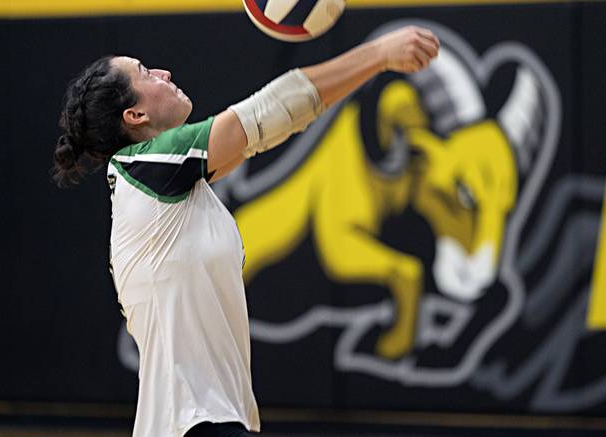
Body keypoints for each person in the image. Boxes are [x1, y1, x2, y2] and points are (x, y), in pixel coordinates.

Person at [52, 26, 440, 437]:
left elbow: (275, 123)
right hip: (194, 423)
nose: (163, 73)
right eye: (146, 73)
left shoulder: (164, 184)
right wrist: (377, 54)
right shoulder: (144, 166)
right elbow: (267, 111)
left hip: (210, 420)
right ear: (135, 116)